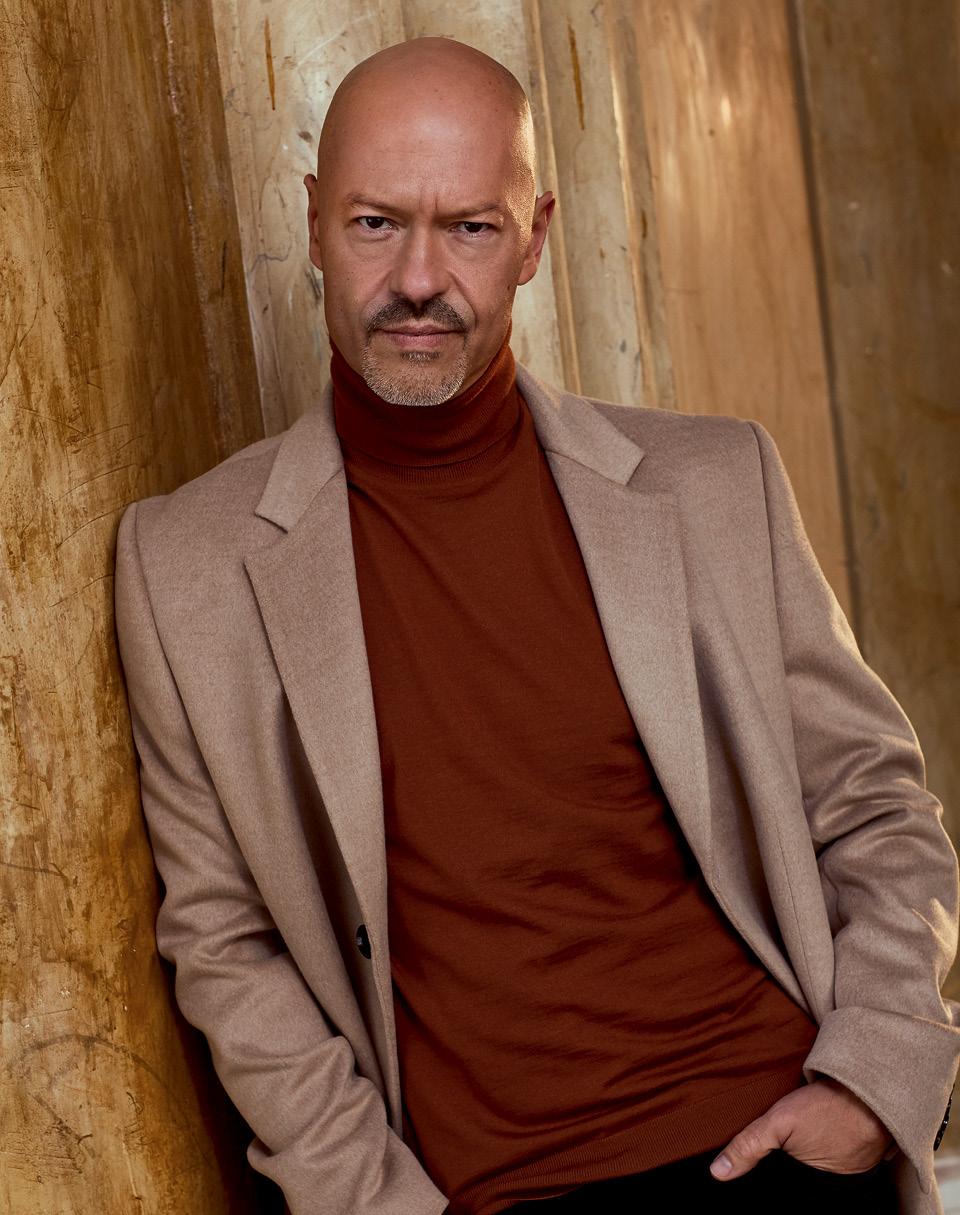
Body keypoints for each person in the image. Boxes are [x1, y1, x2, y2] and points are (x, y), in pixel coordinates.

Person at [113, 34, 958, 1215]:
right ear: (311, 223)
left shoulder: (717, 483)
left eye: (469, 227)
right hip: (486, 1196)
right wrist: (372, 1202)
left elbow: (872, 803)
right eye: (374, 224)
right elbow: (223, 939)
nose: (418, 278)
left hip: (777, 1147)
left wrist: (872, 1081)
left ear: (536, 238)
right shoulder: (183, 564)